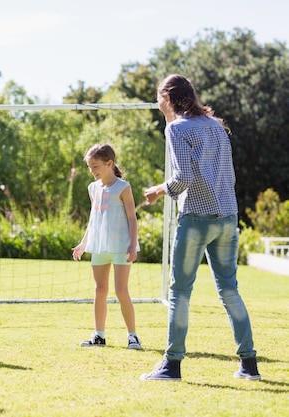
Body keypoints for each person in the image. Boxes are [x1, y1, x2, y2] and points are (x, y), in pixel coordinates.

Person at [141, 74, 260, 381]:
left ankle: (172, 365)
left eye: (158, 97)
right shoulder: (216, 126)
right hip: (228, 218)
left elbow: (183, 178)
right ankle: (249, 365)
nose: (157, 103)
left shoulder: (176, 128)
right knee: (230, 290)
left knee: (179, 292)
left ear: (167, 97)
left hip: (196, 218)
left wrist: (158, 189)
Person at [72, 144, 141, 350]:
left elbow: (132, 218)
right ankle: (99, 336)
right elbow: (93, 219)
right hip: (99, 247)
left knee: (121, 291)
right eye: (90, 167)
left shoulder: (123, 188)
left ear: (109, 163)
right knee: (99, 290)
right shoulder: (93, 189)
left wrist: (132, 245)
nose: (92, 171)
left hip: (121, 247)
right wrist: (84, 243)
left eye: (95, 166)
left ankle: (133, 337)